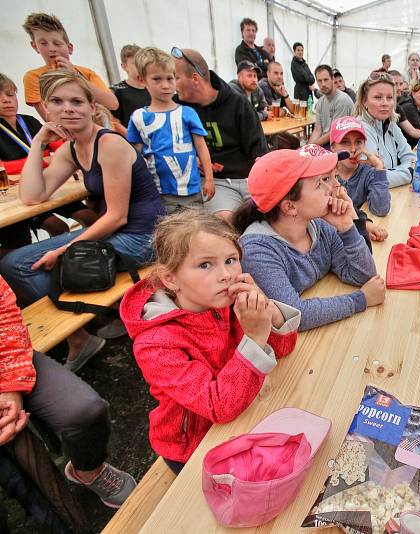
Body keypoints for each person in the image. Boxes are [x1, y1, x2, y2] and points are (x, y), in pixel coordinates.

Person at [0, 69, 163, 371]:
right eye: (58, 102)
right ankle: (82, 332)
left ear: (92, 107)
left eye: (76, 101)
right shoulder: (72, 149)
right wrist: (37, 143)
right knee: (13, 263)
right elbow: (34, 195)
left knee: (34, 263)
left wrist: (62, 250)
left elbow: (117, 216)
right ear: (46, 108)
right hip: (118, 231)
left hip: (143, 236)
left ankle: (88, 324)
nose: (68, 109)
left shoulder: (109, 143)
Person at [120, 210, 299, 474]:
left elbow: (283, 350)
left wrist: (266, 309)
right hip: (192, 448)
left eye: (231, 260)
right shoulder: (155, 344)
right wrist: (255, 337)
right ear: (170, 278)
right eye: (206, 265)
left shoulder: (221, 300)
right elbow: (219, 407)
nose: (226, 274)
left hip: (242, 411)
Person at [1, 275, 138, 507]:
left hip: (6, 358)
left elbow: (3, 313)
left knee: (85, 411)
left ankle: (88, 470)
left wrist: (11, 384)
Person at [235, 145, 384, 331]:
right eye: (323, 181)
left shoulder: (319, 225)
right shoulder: (257, 251)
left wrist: (347, 228)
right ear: (290, 207)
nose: (336, 186)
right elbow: (295, 315)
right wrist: (360, 300)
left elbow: (363, 275)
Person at [0, 73, 98, 250]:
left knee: (89, 215)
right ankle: (53, 260)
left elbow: (59, 144)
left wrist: (51, 157)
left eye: (10, 94)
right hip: (16, 194)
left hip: (47, 184)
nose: (6, 100)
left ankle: (88, 254)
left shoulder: (29, 120)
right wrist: (45, 159)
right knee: (57, 227)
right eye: (0, 96)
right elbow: (3, 169)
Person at [172, 47, 267, 221]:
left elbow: (260, 153)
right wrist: (194, 158)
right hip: (216, 182)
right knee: (226, 221)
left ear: (195, 79)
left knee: (269, 218)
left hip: (248, 179)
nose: (171, 84)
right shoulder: (175, 108)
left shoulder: (237, 103)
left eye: (175, 77)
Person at [128, 47, 214, 213]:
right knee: (169, 233)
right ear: (142, 80)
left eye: (170, 78)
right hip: (159, 192)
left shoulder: (187, 113)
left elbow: (201, 147)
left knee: (195, 229)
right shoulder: (139, 118)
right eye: (157, 79)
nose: (165, 85)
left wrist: (209, 179)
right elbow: (133, 155)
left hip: (191, 189)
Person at [21, 12, 119, 121]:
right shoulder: (33, 77)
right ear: (35, 47)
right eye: (43, 43)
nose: (51, 49)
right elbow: (50, 118)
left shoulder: (86, 73)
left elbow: (113, 104)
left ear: (70, 48)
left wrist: (76, 77)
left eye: (57, 43)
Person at [330, 116, 390, 241]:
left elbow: (381, 209)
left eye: (358, 142)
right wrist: (366, 226)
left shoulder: (367, 171)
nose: (353, 149)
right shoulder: (325, 176)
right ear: (333, 147)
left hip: (356, 236)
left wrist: (379, 167)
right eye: (345, 142)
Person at [354, 71, 415, 188]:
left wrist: (390, 173)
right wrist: (410, 173)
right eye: (378, 97)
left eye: (389, 97)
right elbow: (372, 178)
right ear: (364, 101)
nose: (385, 103)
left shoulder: (391, 125)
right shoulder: (360, 129)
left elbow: (411, 159)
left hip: (395, 194)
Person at [308, 65, 354, 147]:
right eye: (319, 81)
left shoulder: (342, 100)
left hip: (341, 143)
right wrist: (307, 148)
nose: (323, 84)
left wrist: (313, 146)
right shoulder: (320, 102)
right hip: (327, 142)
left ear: (332, 79)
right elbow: (318, 129)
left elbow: (335, 132)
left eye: (326, 80)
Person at [110, 44, 150, 131]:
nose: (140, 66)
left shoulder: (153, 88)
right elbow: (114, 122)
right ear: (124, 66)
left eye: (143, 62)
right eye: (135, 63)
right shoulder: (116, 90)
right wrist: (132, 139)